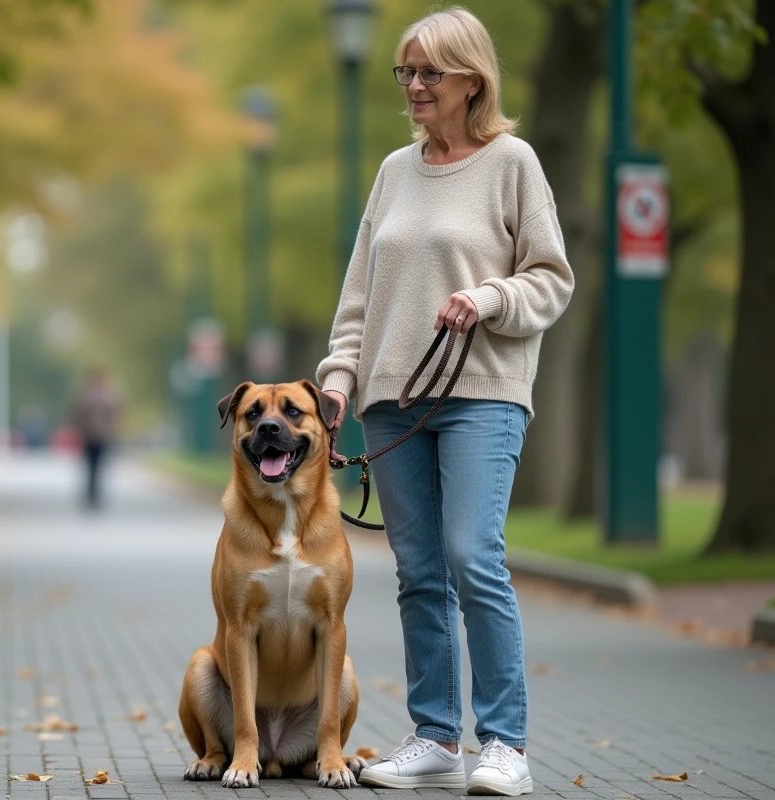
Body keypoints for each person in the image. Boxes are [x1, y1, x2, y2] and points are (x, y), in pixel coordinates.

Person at [316, 7, 574, 796]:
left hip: (482, 396)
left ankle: (506, 744)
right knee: (419, 570)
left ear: (473, 81)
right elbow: (361, 294)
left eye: (430, 72)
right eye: (407, 72)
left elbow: (551, 277)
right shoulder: (395, 171)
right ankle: (435, 736)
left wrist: (489, 297)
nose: (416, 86)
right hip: (391, 400)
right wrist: (336, 380)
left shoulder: (512, 162)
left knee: (473, 555)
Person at [70, 368, 121, 510]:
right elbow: (78, 414)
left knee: (98, 467)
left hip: (102, 436)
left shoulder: (107, 395)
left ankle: (95, 494)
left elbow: (116, 413)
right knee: (90, 467)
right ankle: (91, 494)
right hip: (90, 436)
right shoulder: (88, 396)